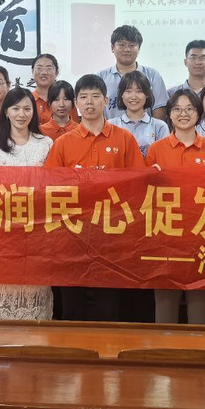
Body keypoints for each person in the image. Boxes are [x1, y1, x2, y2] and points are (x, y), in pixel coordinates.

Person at [46, 74, 144, 321]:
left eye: (95, 96)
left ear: (106, 101)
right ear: (76, 103)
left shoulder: (124, 138)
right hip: (73, 231)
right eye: (83, 97)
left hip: (112, 231)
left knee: (109, 304)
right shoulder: (63, 143)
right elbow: (50, 187)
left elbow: (138, 183)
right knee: (73, 304)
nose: (89, 102)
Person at [146, 89, 205, 325]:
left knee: (200, 314)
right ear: (169, 114)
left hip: (202, 236)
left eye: (190, 108)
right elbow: (144, 195)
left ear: (198, 113)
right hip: (165, 237)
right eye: (177, 109)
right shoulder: (156, 149)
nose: (183, 114)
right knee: (164, 313)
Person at [0, 87, 54, 320]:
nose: (21, 114)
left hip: (36, 229)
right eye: (15, 108)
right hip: (1, 230)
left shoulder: (46, 143)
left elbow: (53, 186)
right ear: (6, 112)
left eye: (27, 109)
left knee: (33, 288)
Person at [97, 25, 168, 121]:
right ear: (112, 47)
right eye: (121, 45)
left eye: (132, 45)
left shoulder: (152, 75)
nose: (127, 49)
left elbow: (160, 110)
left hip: (146, 130)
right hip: (110, 130)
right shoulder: (100, 78)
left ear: (139, 49)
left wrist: (152, 128)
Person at [109, 70, 169, 156]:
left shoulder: (159, 126)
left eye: (139, 91)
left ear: (147, 94)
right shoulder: (111, 125)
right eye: (128, 91)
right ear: (121, 95)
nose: (133, 96)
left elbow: (164, 156)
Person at [30, 54, 60, 124]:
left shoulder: (65, 101)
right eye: (39, 68)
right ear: (32, 71)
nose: (44, 73)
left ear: (56, 73)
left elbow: (74, 127)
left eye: (49, 68)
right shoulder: (27, 100)